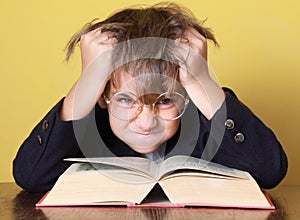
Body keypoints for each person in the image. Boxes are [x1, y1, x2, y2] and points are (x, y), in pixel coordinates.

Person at [13, 3, 288, 193]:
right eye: (125, 100)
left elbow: (269, 170)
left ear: (186, 96)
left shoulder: (207, 121)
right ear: (102, 95)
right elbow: (30, 175)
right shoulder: (85, 127)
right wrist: (87, 82)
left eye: (165, 101)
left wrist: (201, 80)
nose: (145, 122)